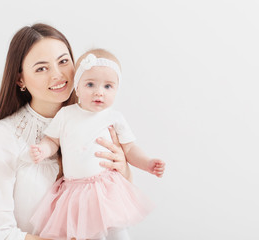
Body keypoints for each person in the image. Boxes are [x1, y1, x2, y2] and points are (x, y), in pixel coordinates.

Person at [0, 24, 133, 240]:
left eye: (63, 61)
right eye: (41, 68)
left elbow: (118, 210)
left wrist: (123, 169)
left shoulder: (102, 119)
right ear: (20, 78)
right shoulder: (3, 136)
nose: (58, 75)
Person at [29, 49, 166, 240]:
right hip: (75, 191)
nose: (99, 92)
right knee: (87, 234)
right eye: (90, 84)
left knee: (118, 231)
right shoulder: (66, 115)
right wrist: (42, 150)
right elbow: (52, 140)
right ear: (77, 87)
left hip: (106, 187)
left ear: (117, 90)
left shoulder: (114, 117)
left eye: (108, 86)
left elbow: (129, 149)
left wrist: (147, 163)